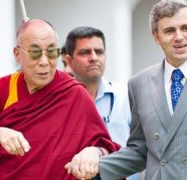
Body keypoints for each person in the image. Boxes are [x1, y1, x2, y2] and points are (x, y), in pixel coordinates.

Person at [67, 0, 187, 179]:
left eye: (186, 28)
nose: (179, 37)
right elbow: (140, 151)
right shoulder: (139, 83)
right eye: (170, 31)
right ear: (156, 36)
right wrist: (98, 165)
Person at [0, 19, 120, 179]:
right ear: (17, 54)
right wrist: (0, 134)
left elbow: (104, 145)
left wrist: (92, 152)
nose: (44, 62)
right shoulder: (2, 88)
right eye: (35, 53)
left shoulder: (74, 92)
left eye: (51, 52)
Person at [65, 26, 141, 180]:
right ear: (69, 60)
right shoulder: (60, 102)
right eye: (85, 52)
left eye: (99, 52)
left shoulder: (126, 96)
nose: (93, 57)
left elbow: (143, 149)